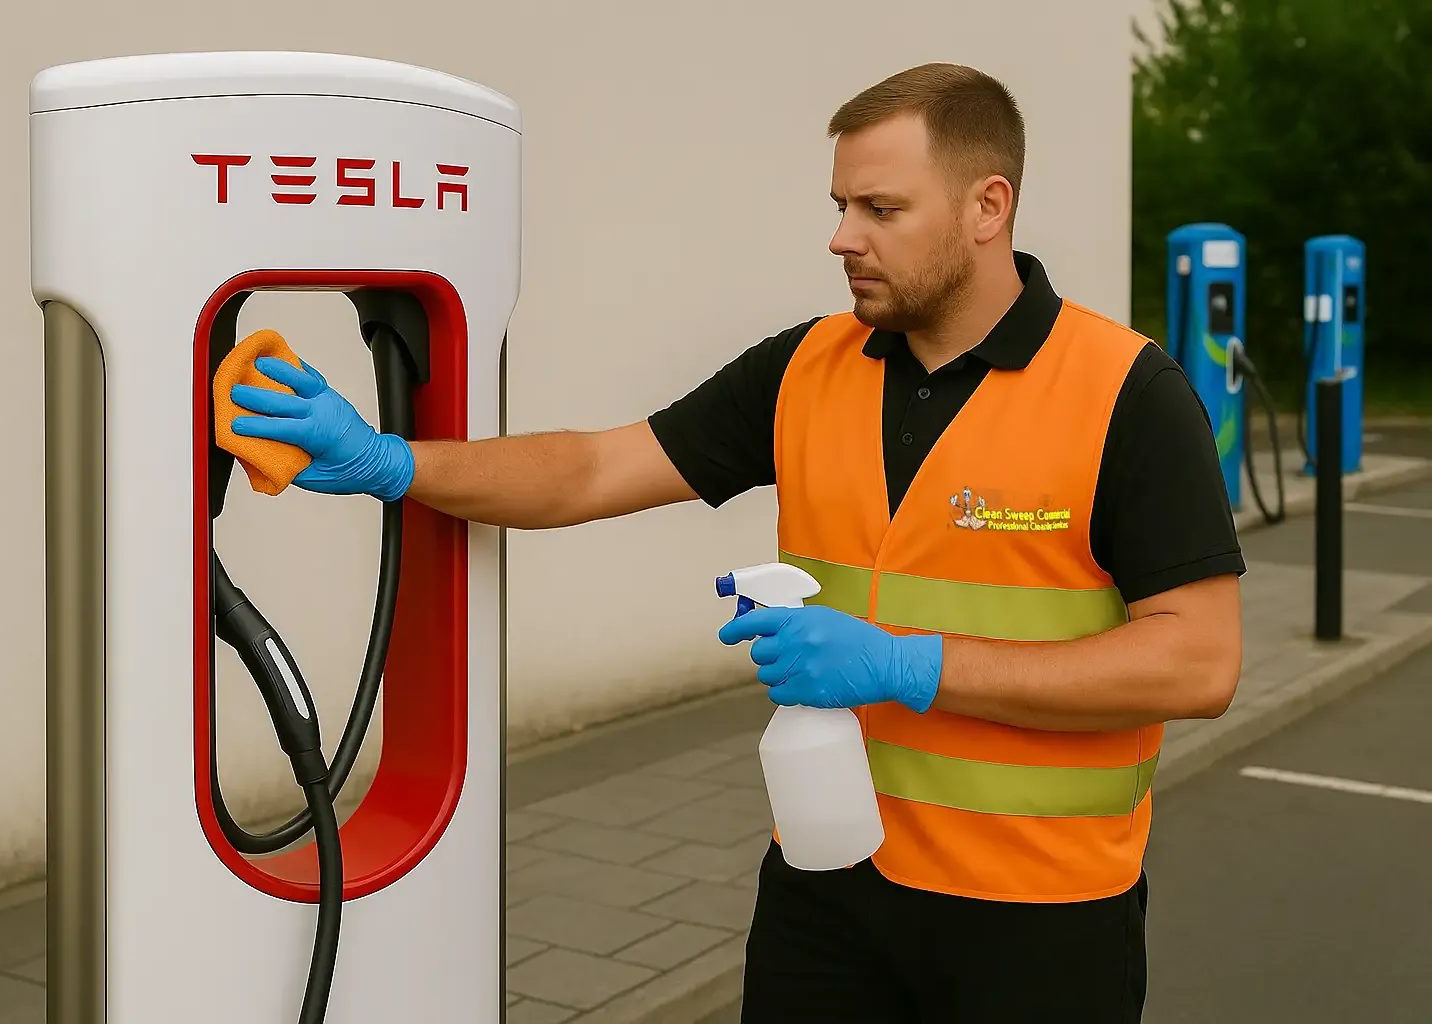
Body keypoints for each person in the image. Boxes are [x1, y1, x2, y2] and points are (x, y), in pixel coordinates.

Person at [229, 62, 1245, 1024]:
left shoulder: (1124, 395)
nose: (843, 237)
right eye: (839, 205)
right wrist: (395, 463)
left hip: (1041, 920)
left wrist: (905, 663)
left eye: (880, 210)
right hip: (827, 886)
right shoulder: (808, 367)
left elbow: (1198, 658)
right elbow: (592, 468)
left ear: (988, 208)